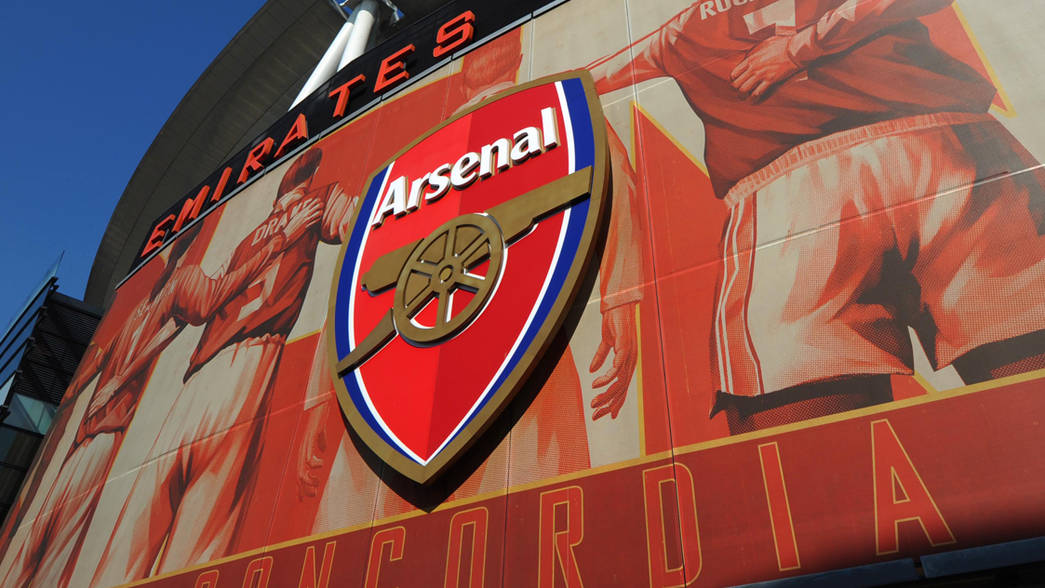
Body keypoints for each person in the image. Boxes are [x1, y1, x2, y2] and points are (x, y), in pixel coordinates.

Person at [587, 0, 1045, 432]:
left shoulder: (678, 34)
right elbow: (578, 90)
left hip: (798, 210)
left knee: (806, 451)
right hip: (948, 164)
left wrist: (797, 49)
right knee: (812, 443)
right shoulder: (675, 36)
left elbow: (568, 94)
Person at [0, 203, 320, 587]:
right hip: (98, 437)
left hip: (90, 437)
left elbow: (130, 350)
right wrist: (280, 242)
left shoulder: (150, 303)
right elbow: (205, 302)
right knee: (50, 561)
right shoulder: (173, 289)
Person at [90, 147, 358, 585]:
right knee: (190, 539)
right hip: (231, 366)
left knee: (155, 535)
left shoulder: (292, 213)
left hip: (215, 370)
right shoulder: (302, 210)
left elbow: (359, 220)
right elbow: (363, 218)